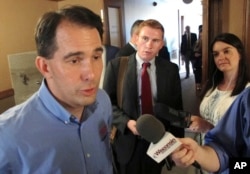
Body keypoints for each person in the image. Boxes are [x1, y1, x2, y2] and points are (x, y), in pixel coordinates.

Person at [0, 5, 113, 173]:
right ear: (45, 67)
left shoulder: (102, 100)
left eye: (96, 57)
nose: (92, 74)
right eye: (74, 60)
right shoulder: (7, 136)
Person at [103, 19, 183, 174]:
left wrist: (177, 143)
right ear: (135, 39)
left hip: (157, 139)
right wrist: (127, 123)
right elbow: (106, 104)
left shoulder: (171, 70)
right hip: (127, 141)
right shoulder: (116, 66)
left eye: (155, 40)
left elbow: (176, 109)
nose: (149, 45)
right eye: (145, 38)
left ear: (161, 44)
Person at [171, 86, 250, 174]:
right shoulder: (246, 97)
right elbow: (225, 149)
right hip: (207, 147)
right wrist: (197, 153)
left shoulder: (244, 89)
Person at [189, 33, 250, 135]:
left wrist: (208, 127)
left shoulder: (246, 93)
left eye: (226, 51)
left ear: (240, 54)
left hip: (226, 150)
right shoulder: (212, 85)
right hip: (203, 147)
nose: (220, 57)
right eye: (216, 54)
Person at [192, 25, 203, 90]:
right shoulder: (196, 42)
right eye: (200, 36)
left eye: (202, 36)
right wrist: (194, 54)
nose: (201, 37)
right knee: (197, 74)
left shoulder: (206, 43)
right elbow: (192, 51)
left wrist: (200, 54)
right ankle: (198, 86)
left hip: (202, 62)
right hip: (196, 62)